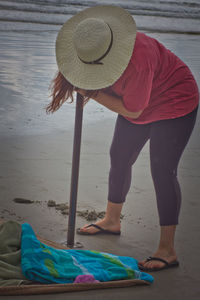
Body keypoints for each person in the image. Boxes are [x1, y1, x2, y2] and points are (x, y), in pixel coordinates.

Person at [47, 5, 199, 272]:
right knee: (119, 156)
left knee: (163, 171)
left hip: (174, 101)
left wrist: (92, 93)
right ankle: (111, 220)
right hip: (137, 98)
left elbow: (133, 110)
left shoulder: (138, 62)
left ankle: (167, 249)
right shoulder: (91, 45)